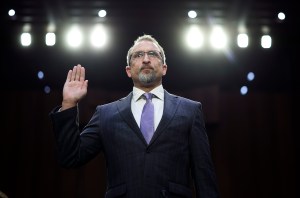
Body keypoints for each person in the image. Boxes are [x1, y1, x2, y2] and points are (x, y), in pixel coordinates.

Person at [50, 34, 220, 198]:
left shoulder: (190, 110)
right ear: (128, 70)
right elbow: (71, 157)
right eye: (138, 55)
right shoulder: (106, 114)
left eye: (152, 54)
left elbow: (204, 175)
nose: (146, 59)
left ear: (164, 68)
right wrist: (69, 104)